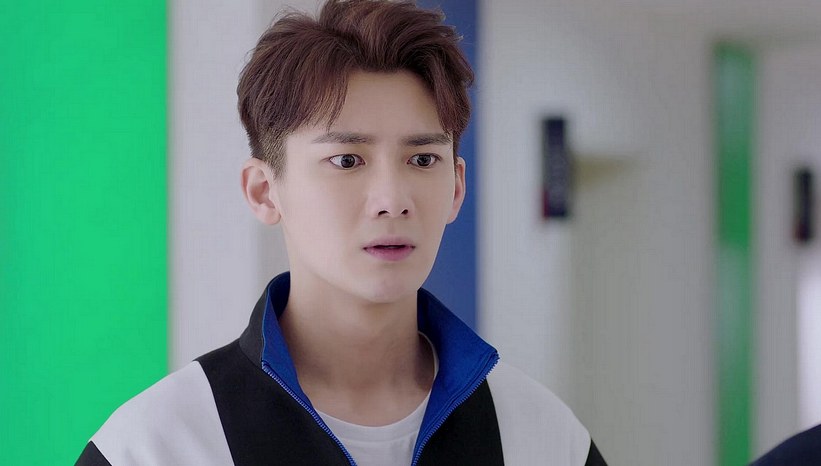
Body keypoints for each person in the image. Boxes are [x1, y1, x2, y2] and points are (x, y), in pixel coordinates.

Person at [77, 1, 606, 464]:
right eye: (347, 160)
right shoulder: (158, 447)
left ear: (456, 188)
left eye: (423, 159)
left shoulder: (541, 437)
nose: (393, 199)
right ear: (264, 191)